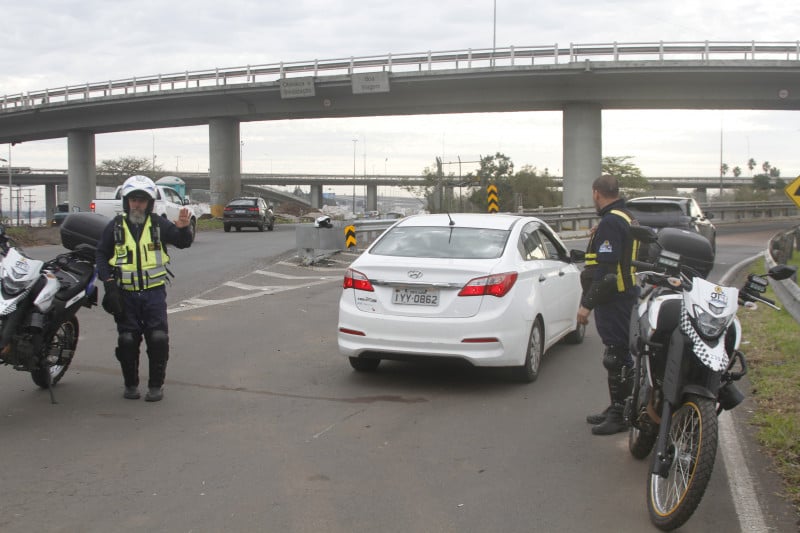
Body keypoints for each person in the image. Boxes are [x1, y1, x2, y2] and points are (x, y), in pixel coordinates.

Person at [95, 175, 193, 402]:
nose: (137, 204)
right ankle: (130, 385)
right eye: (133, 199)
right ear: (126, 201)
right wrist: (108, 284)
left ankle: (156, 386)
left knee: (158, 338)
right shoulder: (115, 226)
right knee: (127, 340)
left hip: (153, 294)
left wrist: (184, 229)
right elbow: (101, 254)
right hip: (125, 294)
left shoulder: (158, 224)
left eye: (142, 200)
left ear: (149, 203)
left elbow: (182, 242)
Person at [576, 174, 639, 435]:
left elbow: (607, 272)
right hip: (622, 296)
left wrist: (586, 304)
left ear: (596, 193)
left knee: (616, 356)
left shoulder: (612, 222)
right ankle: (619, 406)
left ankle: (620, 414)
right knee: (619, 353)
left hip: (614, 299)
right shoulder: (624, 216)